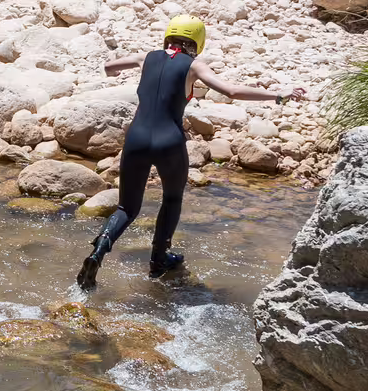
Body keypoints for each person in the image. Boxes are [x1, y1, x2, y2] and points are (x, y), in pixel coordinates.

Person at [76, 15, 307, 288]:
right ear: (197, 41)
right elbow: (231, 91)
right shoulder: (194, 66)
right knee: (171, 199)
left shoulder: (145, 57)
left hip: (136, 140)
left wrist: (121, 69)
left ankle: (99, 250)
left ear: (168, 36)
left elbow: (108, 66)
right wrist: (279, 95)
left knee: (127, 206)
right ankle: (159, 261)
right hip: (169, 142)